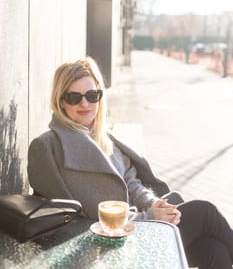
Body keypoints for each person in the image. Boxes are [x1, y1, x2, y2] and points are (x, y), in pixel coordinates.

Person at [27, 57, 233, 269]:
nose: (85, 104)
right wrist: (149, 217)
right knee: (204, 212)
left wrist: (153, 204)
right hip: (105, 245)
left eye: (92, 95)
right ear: (61, 100)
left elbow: (131, 183)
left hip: (135, 228)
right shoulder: (47, 146)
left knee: (213, 251)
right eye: (74, 97)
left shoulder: (104, 138)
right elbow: (65, 220)